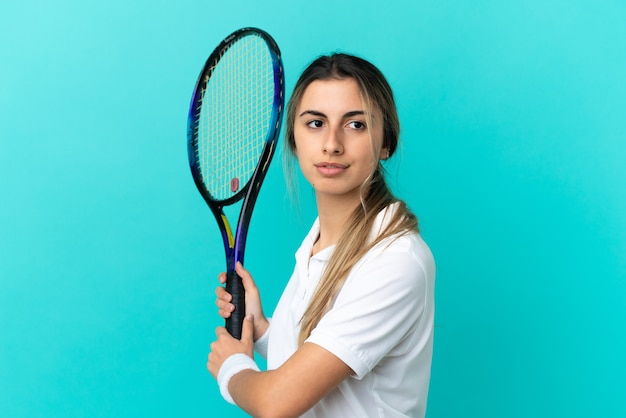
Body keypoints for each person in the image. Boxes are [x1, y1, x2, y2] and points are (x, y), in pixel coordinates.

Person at [207, 53, 435, 418]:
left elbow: (276, 402)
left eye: (355, 125)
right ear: (295, 140)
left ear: (386, 142)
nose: (332, 143)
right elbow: (325, 363)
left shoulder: (395, 261)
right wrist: (262, 328)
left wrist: (232, 367)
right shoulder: (317, 247)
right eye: (315, 123)